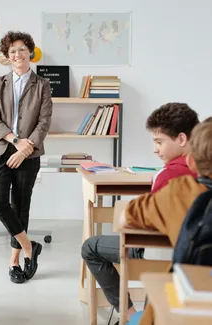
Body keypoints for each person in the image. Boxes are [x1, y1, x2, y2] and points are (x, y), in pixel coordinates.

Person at [81, 102, 199, 323]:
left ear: (182, 139)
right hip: (192, 258)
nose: (155, 149)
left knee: (90, 247)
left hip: (156, 251)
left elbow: (147, 224)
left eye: (159, 142)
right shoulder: (203, 169)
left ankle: (128, 314)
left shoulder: (168, 176)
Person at [122, 119, 212, 325]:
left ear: (191, 161)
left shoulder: (179, 190)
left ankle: (129, 315)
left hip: (185, 307)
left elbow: (125, 216)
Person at [0, 31, 53, 284]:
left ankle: (14, 262)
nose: (17, 54)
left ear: (30, 53)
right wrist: (15, 141)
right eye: (12, 51)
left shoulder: (42, 85)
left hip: (30, 152)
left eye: (22, 49)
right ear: (7, 56)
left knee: (20, 204)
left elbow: (44, 121)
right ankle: (30, 248)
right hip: (2, 148)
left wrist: (26, 149)